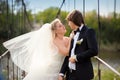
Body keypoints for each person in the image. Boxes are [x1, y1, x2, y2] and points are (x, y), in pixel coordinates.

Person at [3, 18, 71, 80]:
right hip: (49, 70)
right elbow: (66, 52)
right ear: (55, 31)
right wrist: (71, 39)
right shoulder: (54, 41)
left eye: (62, 25)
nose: (63, 26)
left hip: (60, 70)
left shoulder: (67, 39)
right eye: (60, 26)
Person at [59, 10, 98, 80]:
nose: (68, 24)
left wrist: (76, 57)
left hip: (82, 75)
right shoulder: (73, 34)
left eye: (69, 21)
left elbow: (94, 50)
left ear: (73, 21)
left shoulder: (89, 31)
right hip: (70, 74)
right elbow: (69, 54)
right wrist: (62, 73)